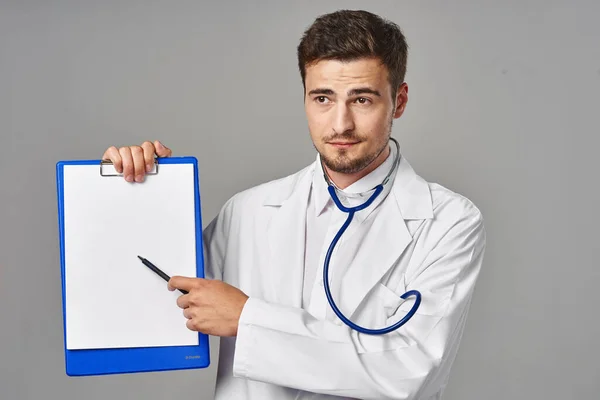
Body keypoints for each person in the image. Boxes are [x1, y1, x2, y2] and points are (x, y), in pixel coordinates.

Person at [102, 9, 486, 400]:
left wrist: (248, 320)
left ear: (398, 101)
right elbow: (143, 299)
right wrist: (133, 194)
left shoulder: (448, 221)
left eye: (363, 100)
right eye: (323, 98)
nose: (341, 124)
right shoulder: (248, 213)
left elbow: (409, 372)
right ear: (304, 97)